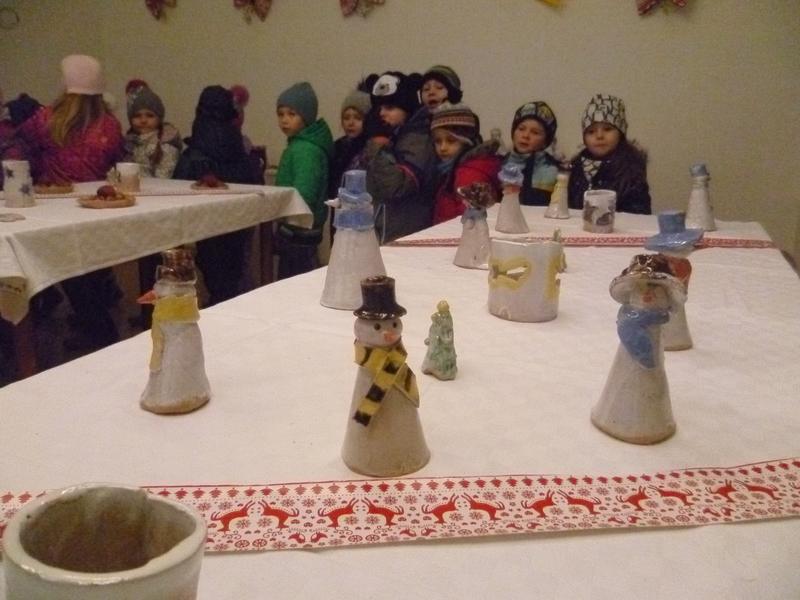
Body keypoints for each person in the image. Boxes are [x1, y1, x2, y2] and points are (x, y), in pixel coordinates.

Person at [13, 55, 124, 348]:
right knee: (94, 265)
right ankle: (94, 317)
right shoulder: (109, 124)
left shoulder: (47, 119)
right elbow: (116, 157)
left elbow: (19, 143)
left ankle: (98, 329)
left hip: (57, 205)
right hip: (96, 204)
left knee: (68, 267)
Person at [173, 85, 263, 305]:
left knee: (212, 268)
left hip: (205, 223)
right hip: (236, 220)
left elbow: (178, 183)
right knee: (233, 270)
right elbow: (253, 179)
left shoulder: (197, 146)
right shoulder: (236, 143)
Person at [361, 71, 436, 243]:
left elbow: (396, 186)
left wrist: (377, 146)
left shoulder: (419, 139)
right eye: (378, 108)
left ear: (407, 108)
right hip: (386, 230)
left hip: (406, 234)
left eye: (389, 107)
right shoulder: (394, 136)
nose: (381, 113)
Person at [274, 81, 334, 278]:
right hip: (302, 224)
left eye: (292, 114)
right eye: (281, 114)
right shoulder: (300, 145)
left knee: (294, 277)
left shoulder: (305, 149)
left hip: (299, 225)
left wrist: (287, 215)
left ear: (306, 117)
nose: (284, 120)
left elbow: (305, 191)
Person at [567, 94, 651, 214]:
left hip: (621, 224)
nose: (599, 136)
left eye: (607, 129)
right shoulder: (577, 166)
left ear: (620, 133)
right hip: (580, 224)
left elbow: (639, 211)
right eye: (591, 131)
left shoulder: (631, 167)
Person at [429, 102, 501, 224]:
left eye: (451, 140)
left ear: (466, 141)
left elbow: (469, 221)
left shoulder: (469, 173)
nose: (443, 147)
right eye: (438, 141)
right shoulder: (453, 168)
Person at [502, 100, 560, 206]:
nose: (526, 135)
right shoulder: (502, 163)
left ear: (545, 141)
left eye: (535, 132)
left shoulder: (551, 169)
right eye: (521, 129)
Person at [123, 79, 182, 178]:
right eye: (137, 116)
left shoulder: (165, 146)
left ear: (159, 118)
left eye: (150, 115)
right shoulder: (128, 143)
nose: (143, 120)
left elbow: (163, 178)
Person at [327, 83, 371, 200]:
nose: (351, 123)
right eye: (346, 118)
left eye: (358, 118)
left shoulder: (369, 149)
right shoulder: (337, 147)